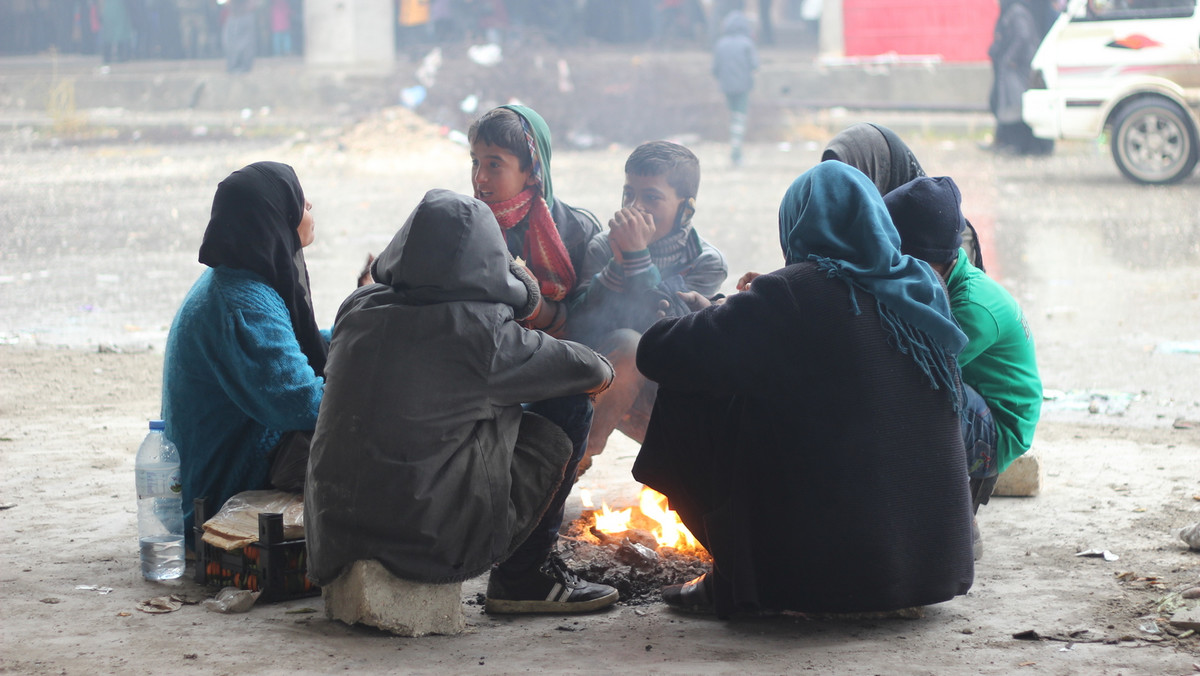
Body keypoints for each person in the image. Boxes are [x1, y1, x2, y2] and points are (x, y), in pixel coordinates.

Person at [633, 161, 975, 617]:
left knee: (691, 388)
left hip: (821, 582)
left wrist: (701, 320)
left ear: (796, 222)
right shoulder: (921, 285)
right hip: (933, 572)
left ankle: (736, 575)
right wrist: (722, 312)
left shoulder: (796, 289)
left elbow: (658, 353)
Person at [305, 189, 620, 614]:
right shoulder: (483, 332)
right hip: (424, 539)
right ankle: (525, 578)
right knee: (569, 405)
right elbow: (595, 371)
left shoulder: (359, 306)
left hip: (332, 532)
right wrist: (521, 294)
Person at [162, 162, 328, 539]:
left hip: (226, 471)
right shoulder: (241, 305)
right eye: (300, 203)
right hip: (219, 497)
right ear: (275, 217)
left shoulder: (242, 280)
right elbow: (305, 404)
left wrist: (361, 329)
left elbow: (298, 345)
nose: (310, 207)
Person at [884, 176, 1042, 552]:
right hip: (977, 399)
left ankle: (955, 526)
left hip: (999, 427)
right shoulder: (948, 276)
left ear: (924, 259)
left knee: (908, 388)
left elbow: (917, 366)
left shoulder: (970, 307)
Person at [568, 141, 728, 477]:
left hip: (664, 390)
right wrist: (615, 264)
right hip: (602, 380)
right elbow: (579, 326)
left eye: (652, 197)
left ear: (686, 209)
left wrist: (637, 257)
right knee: (628, 344)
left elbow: (667, 329)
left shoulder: (705, 262)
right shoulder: (603, 246)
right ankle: (573, 463)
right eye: (629, 194)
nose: (635, 207)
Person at [468, 104, 600, 338]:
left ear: (532, 170)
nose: (479, 177)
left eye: (494, 164)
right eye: (475, 161)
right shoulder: (466, 226)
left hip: (559, 354)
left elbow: (590, 320)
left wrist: (537, 306)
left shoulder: (578, 231)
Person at [822, 122, 986, 271]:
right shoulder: (837, 230)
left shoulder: (947, 236)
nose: (837, 190)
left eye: (849, 178)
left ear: (881, 171)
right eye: (830, 178)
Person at [986, 0, 1055, 156]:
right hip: (1018, 66)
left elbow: (1022, 36)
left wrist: (1009, 58)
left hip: (1019, 68)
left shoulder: (1017, 12)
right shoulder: (1017, 11)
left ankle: (1025, 146)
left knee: (1018, 108)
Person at [711, 3, 758, 166]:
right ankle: (736, 153)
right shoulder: (747, 43)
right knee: (740, 117)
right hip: (743, 86)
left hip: (726, 87)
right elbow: (755, 65)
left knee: (732, 117)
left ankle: (734, 149)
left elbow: (715, 69)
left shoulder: (720, 44)